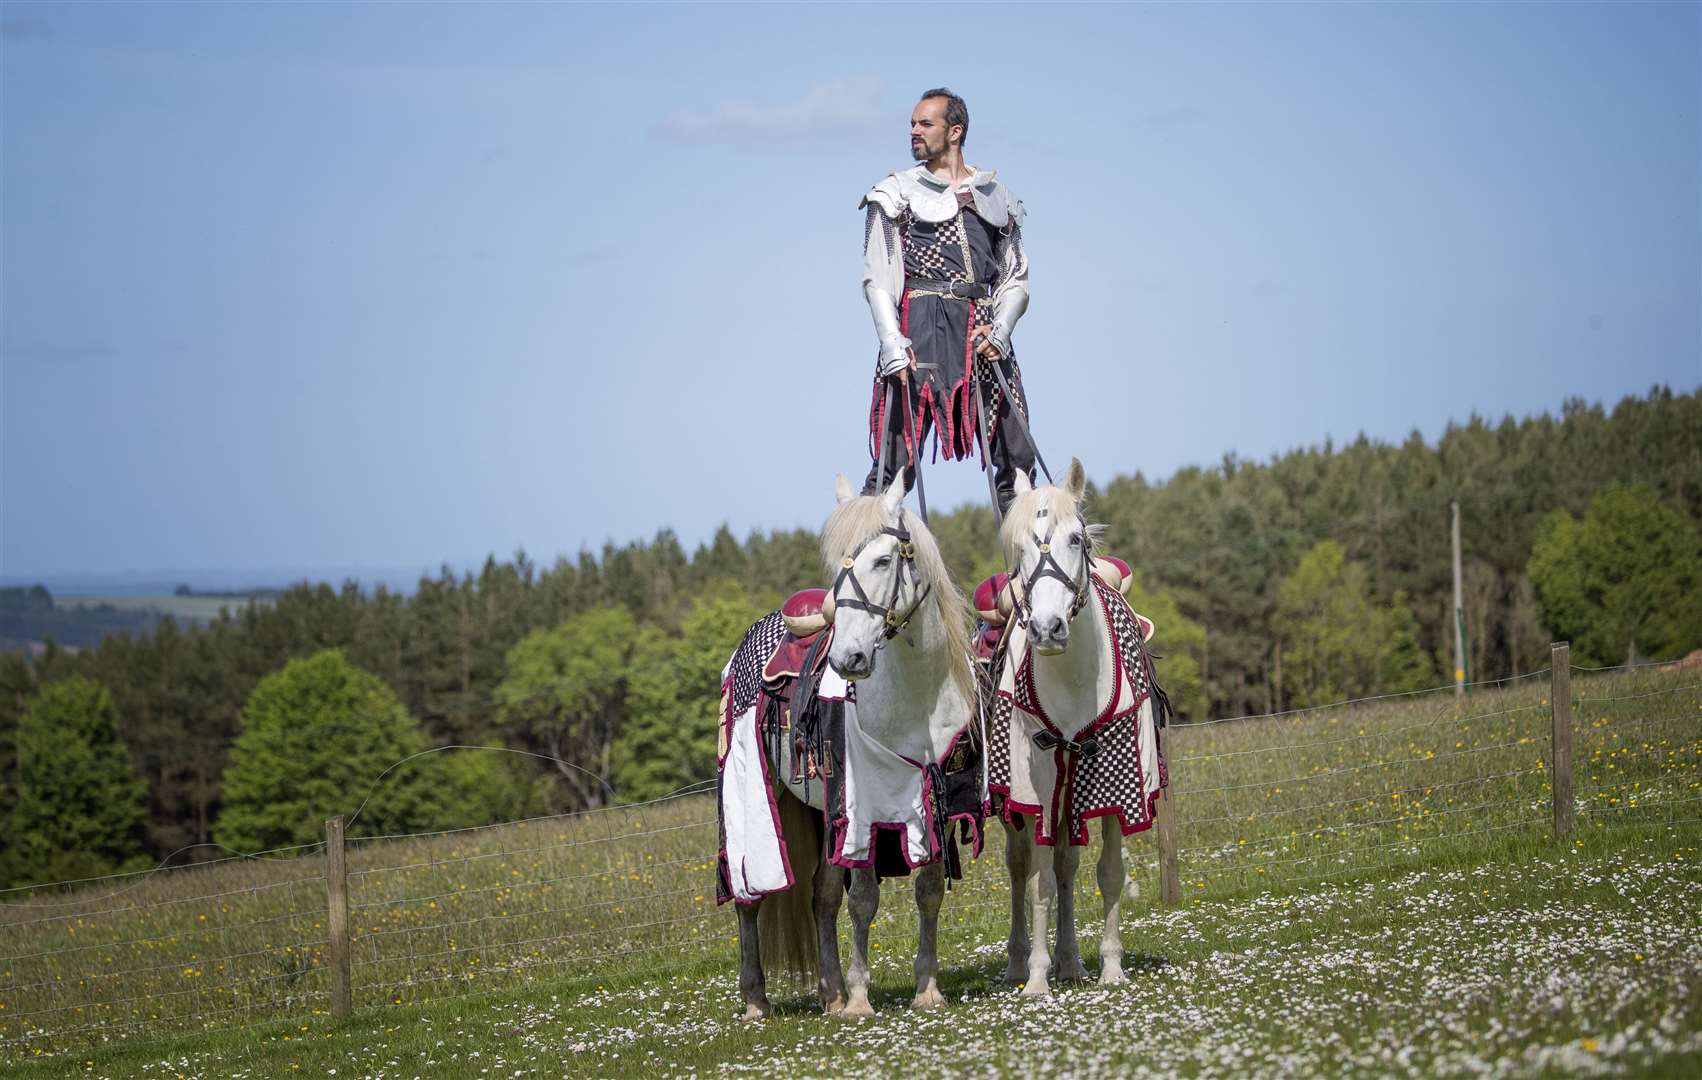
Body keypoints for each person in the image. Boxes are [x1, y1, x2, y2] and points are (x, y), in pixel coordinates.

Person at [859, 87, 1035, 515]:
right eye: (912, 124)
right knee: (894, 462)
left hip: (984, 332)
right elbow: (878, 276)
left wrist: (1003, 331)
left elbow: (1015, 277)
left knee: (1017, 458)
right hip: (921, 331)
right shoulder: (896, 193)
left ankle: (1034, 568)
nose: (914, 132)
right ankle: (861, 558)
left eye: (925, 124)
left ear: (954, 132)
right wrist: (891, 341)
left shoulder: (995, 195)